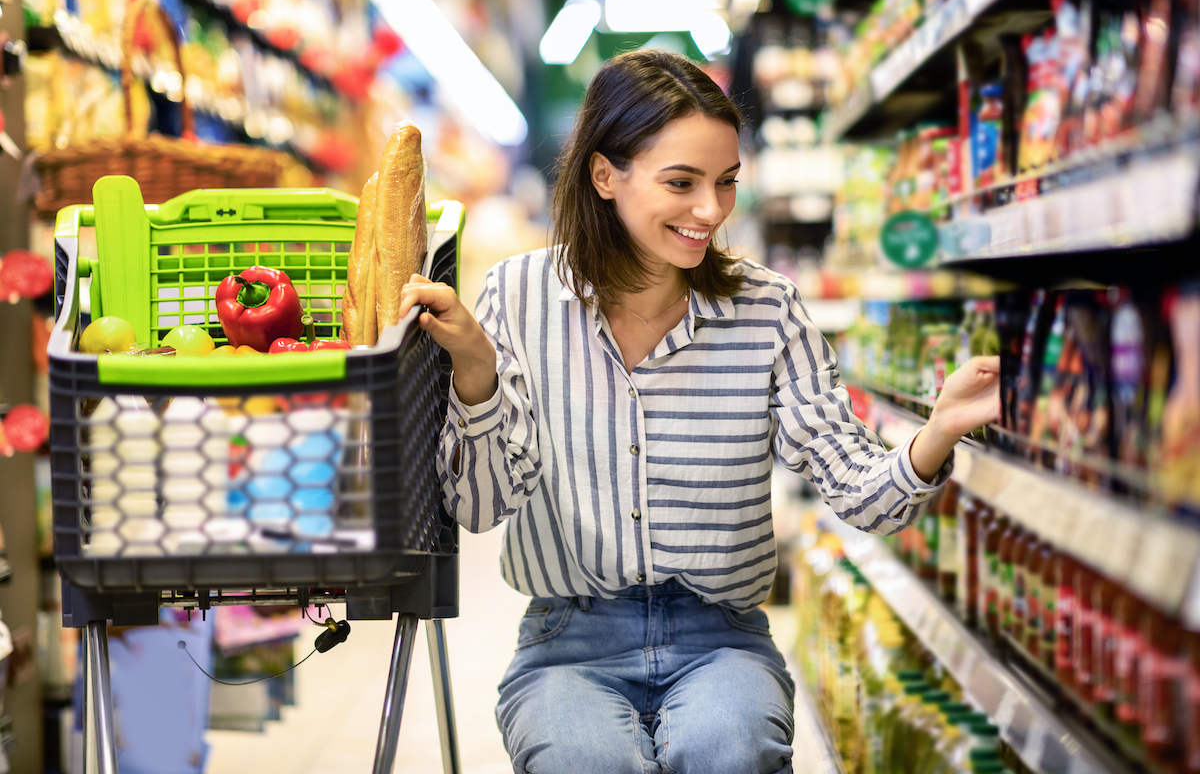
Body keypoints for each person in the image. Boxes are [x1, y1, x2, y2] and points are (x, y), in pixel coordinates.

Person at [396, 48, 1000, 774]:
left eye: (726, 183)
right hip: (566, 642)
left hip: (723, 639)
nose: (711, 211)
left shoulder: (767, 307)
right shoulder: (517, 298)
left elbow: (859, 490)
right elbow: (483, 506)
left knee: (732, 751)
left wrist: (936, 433)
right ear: (605, 174)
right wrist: (477, 373)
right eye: (681, 182)